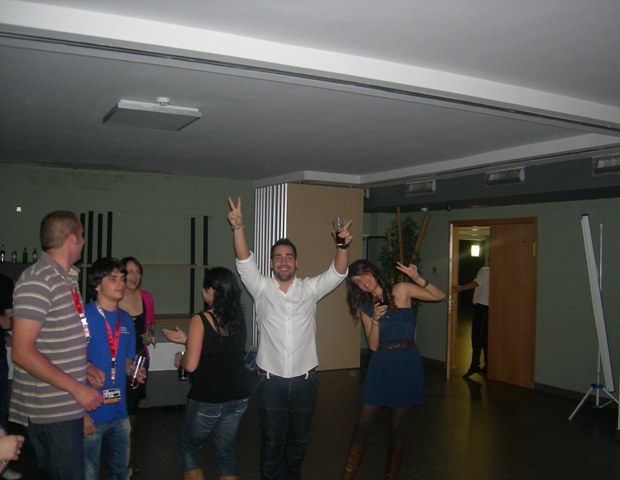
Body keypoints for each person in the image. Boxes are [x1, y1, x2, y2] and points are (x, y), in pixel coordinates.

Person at [227, 196, 352, 480]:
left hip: (305, 381)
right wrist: (239, 228)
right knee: (272, 442)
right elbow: (244, 261)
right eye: (278, 257)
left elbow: (338, 272)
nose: (283, 261)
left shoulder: (309, 289)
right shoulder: (261, 288)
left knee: (299, 442)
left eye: (289, 257)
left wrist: (342, 247)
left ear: (297, 262)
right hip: (270, 381)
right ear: (271, 263)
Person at [10, 210, 105, 480]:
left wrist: (84, 367)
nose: (84, 242)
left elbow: (53, 341)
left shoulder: (65, 279)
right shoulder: (38, 279)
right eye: (82, 235)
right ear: (72, 238)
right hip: (49, 411)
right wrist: (76, 387)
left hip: (65, 406)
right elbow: (22, 352)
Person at [340, 259, 445, 480]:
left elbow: (439, 296)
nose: (362, 282)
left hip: (406, 361)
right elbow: (372, 346)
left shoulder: (402, 290)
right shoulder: (366, 308)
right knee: (363, 424)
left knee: (398, 426)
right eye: (357, 282)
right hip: (381, 363)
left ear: (372, 272)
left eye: (363, 275)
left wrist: (416, 278)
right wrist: (375, 319)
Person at [162, 267, 249, 480]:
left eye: (204, 288)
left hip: (208, 397)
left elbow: (191, 365)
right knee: (226, 454)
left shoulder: (200, 319)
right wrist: (187, 340)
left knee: (189, 449)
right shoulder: (238, 318)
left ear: (211, 291)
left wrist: (180, 360)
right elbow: (220, 348)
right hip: (237, 396)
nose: (203, 292)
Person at [83, 257, 146, 480]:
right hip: (90, 411)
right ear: (97, 285)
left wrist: (133, 370)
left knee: (120, 473)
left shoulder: (126, 320)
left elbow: (126, 361)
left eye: (122, 278)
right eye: (113, 278)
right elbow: (68, 366)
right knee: (88, 474)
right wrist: (81, 413)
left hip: (119, 411)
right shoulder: (83, 318)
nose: (121, 283)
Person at [119, 256, 156, 476]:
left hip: (140, 360)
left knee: (132, 411)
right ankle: (117, 456)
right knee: (116, 409)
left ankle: (128, 458)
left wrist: (149, 335)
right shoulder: (114, 296)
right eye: (130, 271)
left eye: (138, 272)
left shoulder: (146, 297)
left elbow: (149, 325)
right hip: (116, 362)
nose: (134, 276)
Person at [0, 275, 21, 480]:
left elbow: (10, 319)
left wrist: (9, 321)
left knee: (0, 410)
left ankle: (3, 461)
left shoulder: (4, 282)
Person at [455, 265, 490, 377]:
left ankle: (475, 364)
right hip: (491, 308)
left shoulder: (485, 270)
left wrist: (460, 288)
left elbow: (476, 283)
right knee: (486, 337)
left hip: (481, 307)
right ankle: (487, 366)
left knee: (476, 336)